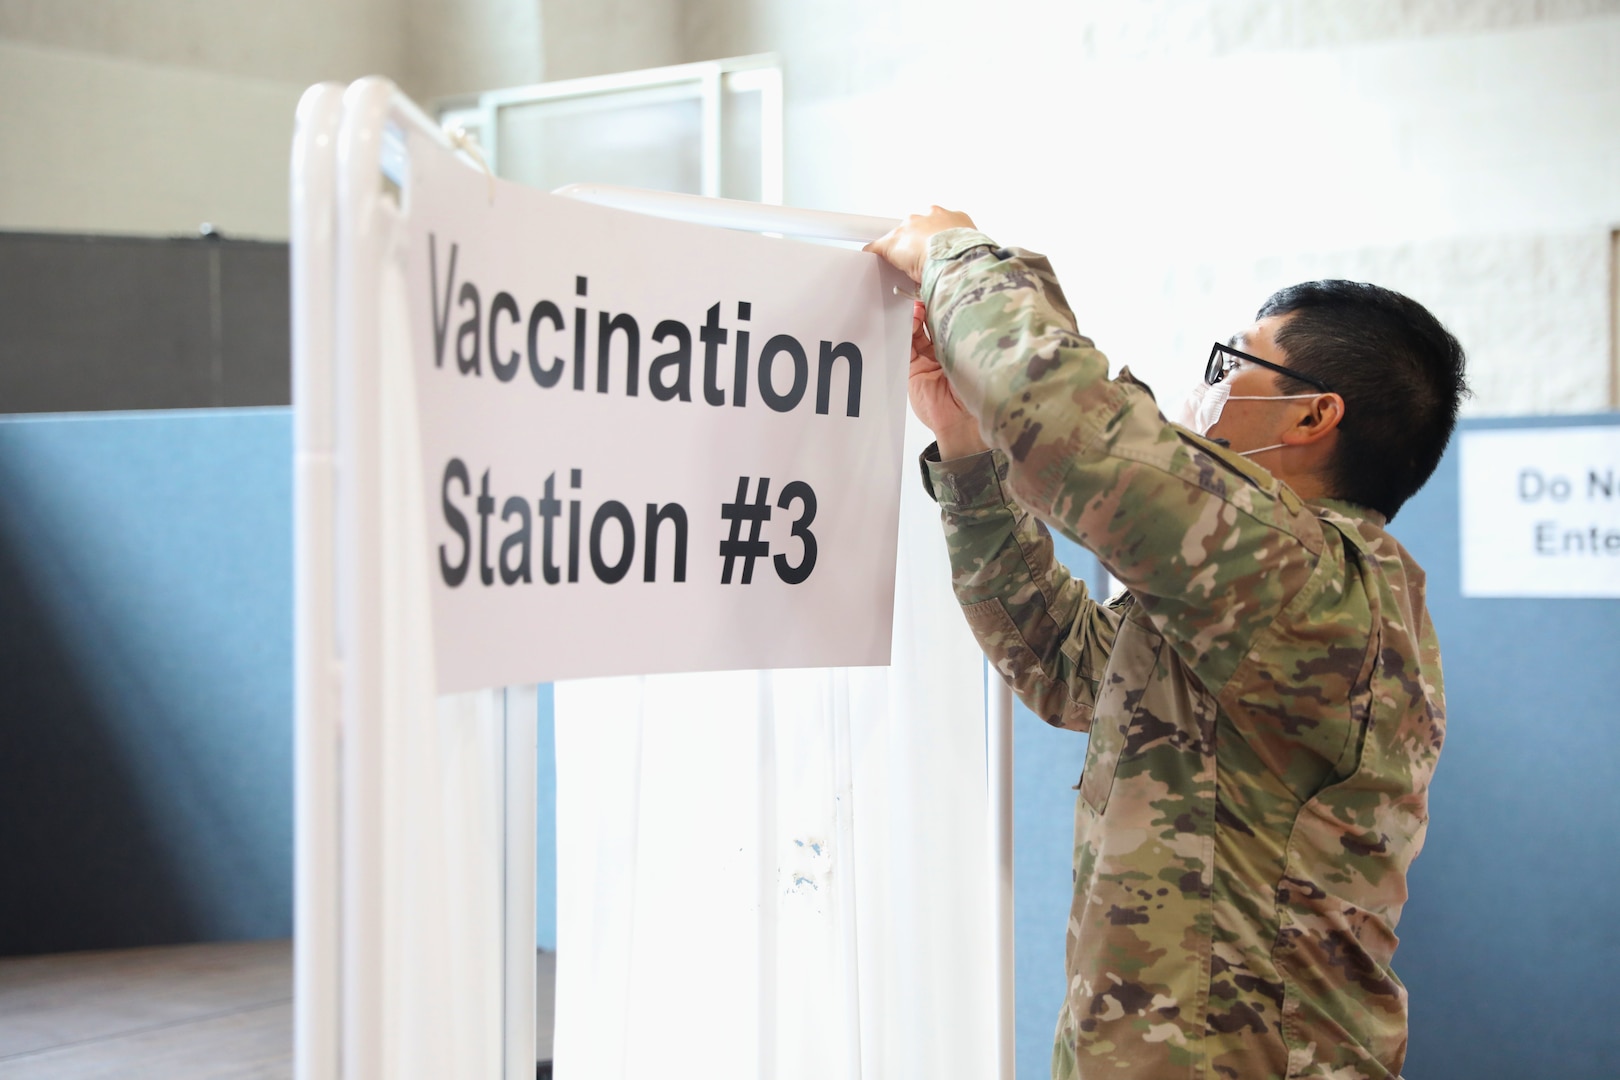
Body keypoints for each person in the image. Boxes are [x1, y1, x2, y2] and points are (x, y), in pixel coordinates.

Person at [866, 208, 1467, 1079]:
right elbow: (1069, 666)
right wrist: (965, 447)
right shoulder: (1267, 591)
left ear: (1312, 417)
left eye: (1236, 362)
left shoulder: (1302, 574)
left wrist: (957, 256)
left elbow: (1072, 430)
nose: (1209, 384)